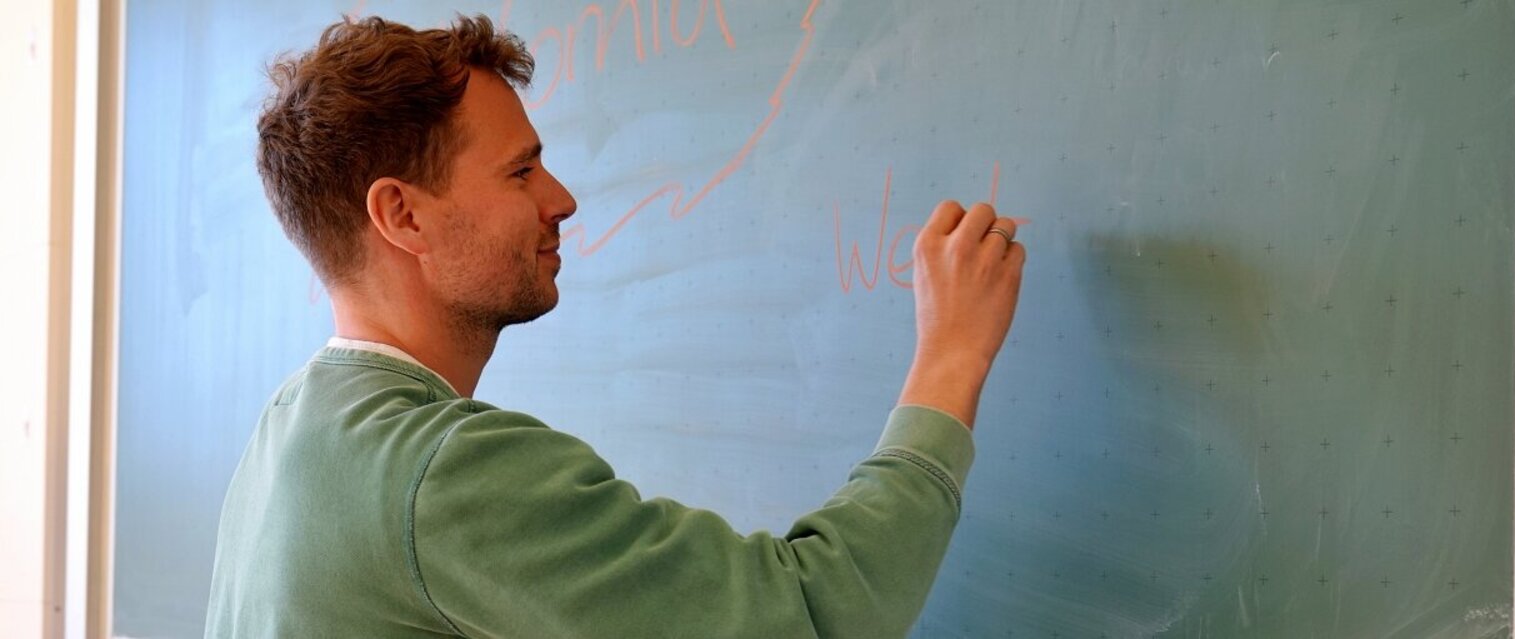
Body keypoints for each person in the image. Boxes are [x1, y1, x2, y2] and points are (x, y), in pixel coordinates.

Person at [205, 13, 1024, 639]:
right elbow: (810, 616)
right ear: (402, 216)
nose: (559, 199)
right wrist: (950, 359)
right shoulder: (443, 476)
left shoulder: (293, 425)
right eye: (520, 171)